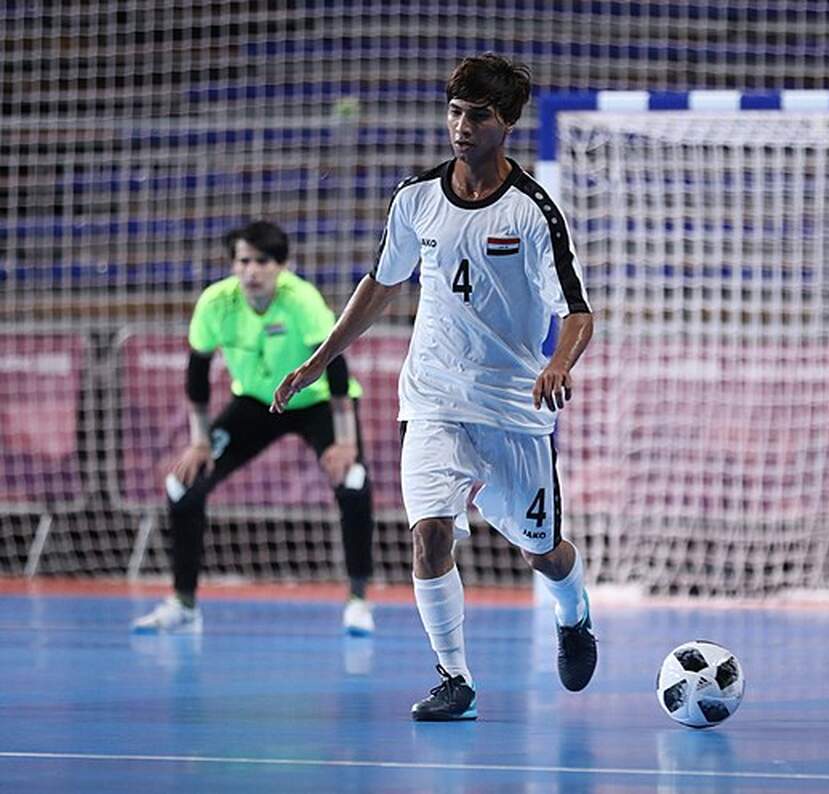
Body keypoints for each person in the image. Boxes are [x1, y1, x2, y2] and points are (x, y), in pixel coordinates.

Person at [272, 53, 596, 720]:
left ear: (504, 122)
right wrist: (317, 359)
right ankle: (454, 677)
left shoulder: (535, 213)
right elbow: (382, 285)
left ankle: (574, 613)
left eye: (476, 115)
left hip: (512, 406)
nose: (460, 125)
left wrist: (558, 363)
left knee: (544, 555)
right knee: (429, 536)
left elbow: (579, 313)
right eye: (453, 111)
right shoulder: (415, 198)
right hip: (433, 399)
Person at [132, 220, 376, 636]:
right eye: (243, 261)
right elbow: (196, 376)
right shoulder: (216, 303)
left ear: (282, 265)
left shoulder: (302, 300)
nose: (251, 271)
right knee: (184, 487)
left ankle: (358, 601)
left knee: (353, 483)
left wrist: (347, 441)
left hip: (316, 402)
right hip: (255, 403)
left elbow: (335, 368)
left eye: (263, 261)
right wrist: (199, 441)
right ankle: (184, 604)